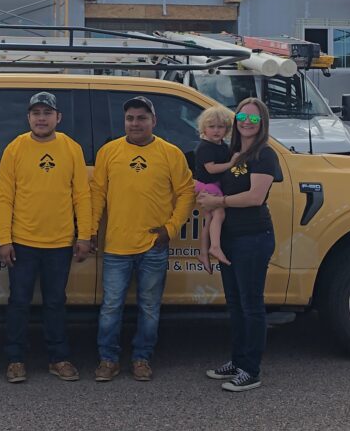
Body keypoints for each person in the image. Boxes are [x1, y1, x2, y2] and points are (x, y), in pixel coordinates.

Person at [91, 96, 195, 382]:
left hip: (154, 245)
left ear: (153, 121)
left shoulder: (170, 153)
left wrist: (171, 229)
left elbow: (187, 192)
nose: (135, 123)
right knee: (111, 306)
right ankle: (107, 359)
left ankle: (141, 358)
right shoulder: (109, 152)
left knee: (149, 307)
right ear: (124, 121)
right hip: (116, 246)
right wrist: (89, 230)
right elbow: (97, 194)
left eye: (141, 118)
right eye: (130, 118)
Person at [0, 92, 93, 384]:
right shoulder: (15, 148)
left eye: (47, 113)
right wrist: (4, 239)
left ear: (58, 118)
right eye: (36, 113)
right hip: (22, 242)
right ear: (28, 118)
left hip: (60, 243)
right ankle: (15, 360)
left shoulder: (71, 148)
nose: (41, 118)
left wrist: (84, 234)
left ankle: (58, 358)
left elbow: (81, 195)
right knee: (18, 302)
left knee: (55, 303)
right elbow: (4, 197)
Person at [198, 98, 279, 393]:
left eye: (254, 119)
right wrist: (205, 241)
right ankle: (237, 361)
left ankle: (251, 370)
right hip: (230, 238)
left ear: (262, 123)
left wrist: (217, 201)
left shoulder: (264, 155)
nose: (246, 122)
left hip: (253, 237)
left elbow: (255, 197)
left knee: (251, 306)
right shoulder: (233, 153)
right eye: (242, 116)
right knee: (235, 305)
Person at [194, 106, 238, 272]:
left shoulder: (222, 146)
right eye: (212, 127)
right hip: (208, 186)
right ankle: (215, 247)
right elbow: (211, 169)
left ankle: (203, 253)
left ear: (227, 129)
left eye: (221, 127)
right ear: (204, 128)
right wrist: (231, 164)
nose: (216, 131)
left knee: (209, 221)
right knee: (219, 214)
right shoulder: (205, 147)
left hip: (213, 185)